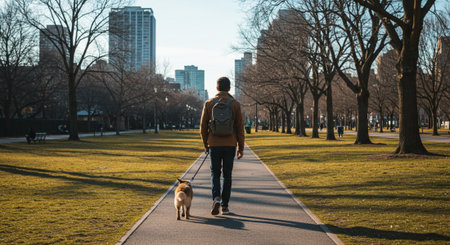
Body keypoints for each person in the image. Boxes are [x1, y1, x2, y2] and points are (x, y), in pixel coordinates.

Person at [200, 77, 245, 216]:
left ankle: (216, 198)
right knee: (227, 175)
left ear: (217, 88)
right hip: (230, 144)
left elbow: (202, 127)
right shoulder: (235, 104)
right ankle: (225, 206)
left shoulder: (208, 103)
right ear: (229, 89)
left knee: (215, 174)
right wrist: (241, 147)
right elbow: (239, 127)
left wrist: (206, 145)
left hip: (214, 144)